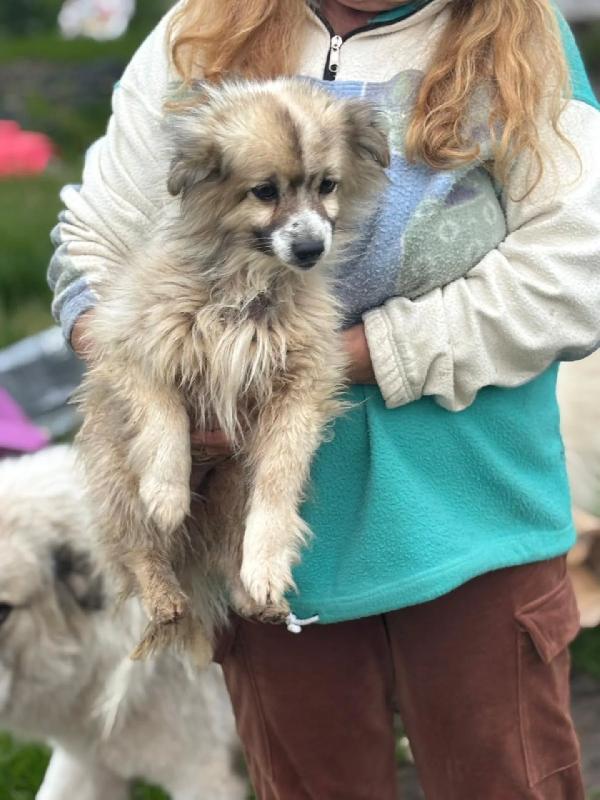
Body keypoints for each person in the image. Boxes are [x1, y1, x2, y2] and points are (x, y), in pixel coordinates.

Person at [48, 1, 600, 797]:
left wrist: (354, 356)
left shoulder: (516, 32)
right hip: (256, 552)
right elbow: (93, 242)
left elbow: (576, 270)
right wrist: (158, 385)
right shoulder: (207, 24)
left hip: (469, 526)